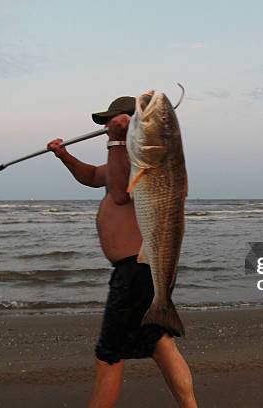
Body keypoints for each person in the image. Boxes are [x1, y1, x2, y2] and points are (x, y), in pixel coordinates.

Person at [47, 96, 197, 408]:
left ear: (126, 121)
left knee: (109, 355)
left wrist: (116, 140)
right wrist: (64, 156)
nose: (104, 127)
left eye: (109, 121)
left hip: (136, 270)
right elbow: (91, 177)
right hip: (139, 272)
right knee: (160, 345)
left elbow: (117, 195)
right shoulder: (125, 159)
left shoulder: (139, 159)